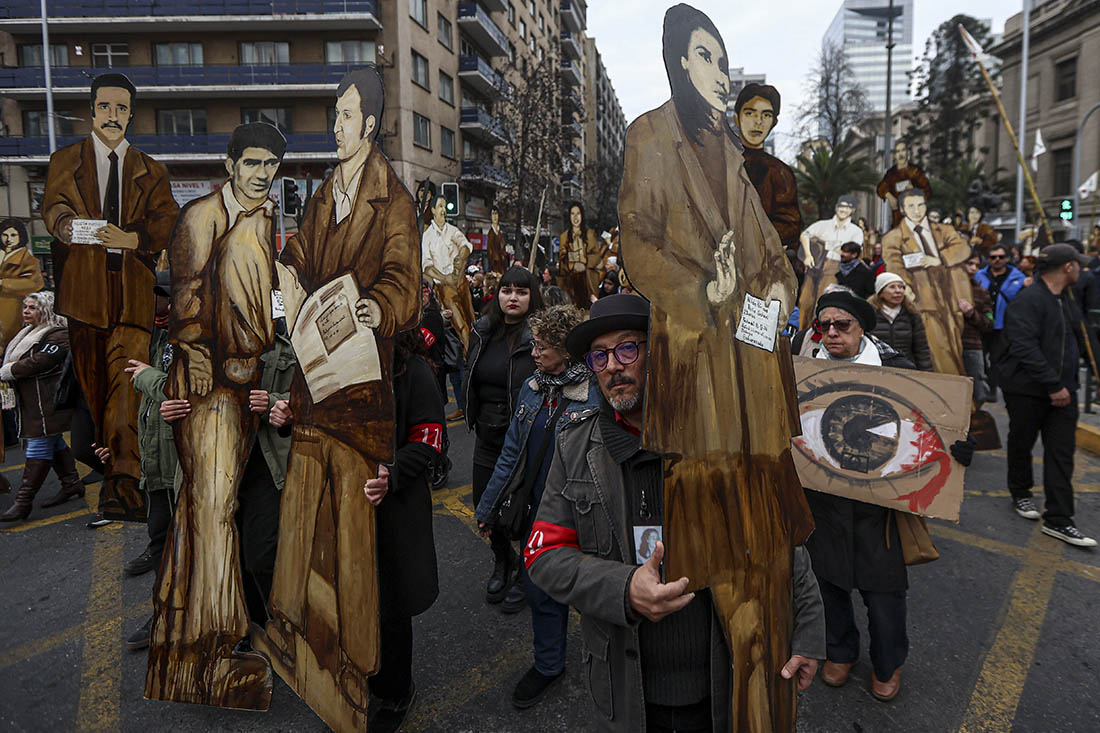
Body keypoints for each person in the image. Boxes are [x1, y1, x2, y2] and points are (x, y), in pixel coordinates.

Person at [617, 8, 818, 727]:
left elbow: (773, 258)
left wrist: (771, 293)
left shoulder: (734, 150)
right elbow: (638, 244)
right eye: (707, 56)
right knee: (724, 589)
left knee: (767, 597)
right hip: (697, 397)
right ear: (679, 62)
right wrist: (705, 289)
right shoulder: (650, 134)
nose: (721, 70)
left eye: (724, 57)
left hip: (756, 394)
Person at [526, 293, 825, 731]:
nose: (613, 366)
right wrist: (623, 587)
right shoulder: (576, 446)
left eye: (628, 348)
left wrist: (808, 632)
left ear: (660, 353)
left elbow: (782, 539)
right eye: (599, 356)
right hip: (629, 692)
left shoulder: (721, 440)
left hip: (725, 679)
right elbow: (543, 556)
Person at [264, 67, 421, 726]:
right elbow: (300, 255)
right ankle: (293, 629)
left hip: (360, 385)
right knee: (301, 507)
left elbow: (406, 289)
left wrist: (372, 308)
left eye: (347, 114)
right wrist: (285, 272)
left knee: (356, 536)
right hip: (311, 379)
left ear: (372, 123)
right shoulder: (324, 193)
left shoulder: (396, 199)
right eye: (334, 114)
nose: (337, 126)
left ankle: (361, 660)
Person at [145, 122, 287, 708]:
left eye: (270, 165)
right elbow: (186, 294)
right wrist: (198, 355)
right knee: (211, 510)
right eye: (251, 162)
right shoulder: (202, 215)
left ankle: (195, 642)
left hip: (246, 380)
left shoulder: (265, 217)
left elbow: (261, 294)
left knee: (213, 511)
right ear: (230, 163)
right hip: (209, 386)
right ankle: (214, 645)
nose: (261, 173)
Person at [793, 290, 973, 701]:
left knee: (884, 594)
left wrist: (960, 446)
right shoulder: (803, 366)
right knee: (829, 583)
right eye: (824, 325)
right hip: (823, 499)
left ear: (862, 328)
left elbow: (938, 421)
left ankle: (888, 663)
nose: (832, 333)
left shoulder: (896, 367)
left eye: (843, 325)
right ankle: (840, 652)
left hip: (881, 507)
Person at [42, 72, 180, 521]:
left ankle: (127, 489)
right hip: (83, 299)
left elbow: (167, 223)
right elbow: (54, 207)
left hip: (132, 300)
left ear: (131, 115)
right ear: (92, 110)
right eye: (106, 107)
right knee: (98, 393)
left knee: (126, 389)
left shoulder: (151, 170)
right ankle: (119, 470)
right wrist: (66, 225)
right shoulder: (65, 160)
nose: (113, 116)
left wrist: (132, 237)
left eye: (122, 109)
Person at [474, 305, 597, 709]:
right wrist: (488, 506)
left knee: (597, 595)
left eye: (543, 346)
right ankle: (549, 665)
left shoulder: (596, 394)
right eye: (535, 343)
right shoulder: (532, 387)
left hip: (585, 516)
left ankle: (611, 670)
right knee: (540, 590)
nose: (535, 351)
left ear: (567, 350)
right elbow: (510, 452)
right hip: (538, 513)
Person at [360, 330, 443, 732]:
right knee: (351, 595)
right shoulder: (342, 365)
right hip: (344, 504)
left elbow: (430, 438)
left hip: (394, 506)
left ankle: (395, 690)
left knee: (390, 601)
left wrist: (390, 474)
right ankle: (358, 678)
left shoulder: (413, 372)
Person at [996, 244, 1098, 547]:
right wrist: (1053, 385)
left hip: (1065, 392)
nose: (1082, 269)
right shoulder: (1028, 300)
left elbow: (1085, 341)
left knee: (1061, 454)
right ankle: (1021, 492)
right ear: (1068, 268)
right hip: (1028, 391)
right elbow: (1023, 346)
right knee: (1022, 442)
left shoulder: (1067, 300)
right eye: (1078, 264)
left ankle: (1058, 519)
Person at [462, 266, 542, 605]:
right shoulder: (483, 331)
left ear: (531, 297)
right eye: (507, 290)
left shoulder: (538, 334)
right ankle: (503, 561)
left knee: (525, 511)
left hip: (524, 437)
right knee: (485, 506)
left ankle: (526, 573)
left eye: (521, 292)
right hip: (488, 435)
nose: (513, 297)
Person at [0, 292, 82, 523]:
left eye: (33, 307)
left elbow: (42, 361)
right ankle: (71, 483)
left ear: (47, 310)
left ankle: (23, 503)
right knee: (53, 441)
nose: (26, 311)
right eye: (25, 307)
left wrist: (8, 371)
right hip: (32, 401)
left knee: (37, 444)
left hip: (47, 400)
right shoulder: (27, 332)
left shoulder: (58, 333)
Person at [122, 270, 177, 580]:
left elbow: (185, 388)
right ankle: (162, 612)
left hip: (175, 461)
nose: (155, 301)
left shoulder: (186, 336)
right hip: (154, 457)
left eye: (162, 294)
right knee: (159, 536)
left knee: (173, 539)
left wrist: (145, 376)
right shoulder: (154, 334)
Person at [881, 188, 971, 376]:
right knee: (938, 354)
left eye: (920, 205)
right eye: (911, 206)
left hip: (951, 301)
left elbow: (962, 248)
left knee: (954, 350)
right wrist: (905, 287)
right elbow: (894, 265)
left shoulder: (944, 230)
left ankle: (961, 401)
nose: (917, 210)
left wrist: (940, 258)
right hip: (923, 302)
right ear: (903, 209)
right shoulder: (893, 237)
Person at [732, 83, 802, 249]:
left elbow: (790, 225)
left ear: (774, 122)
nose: (758, 122)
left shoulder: (781, 172)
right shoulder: (719, 161)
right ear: (737, 117)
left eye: (766, 115)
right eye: (750, 113)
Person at [798, 196, 864, 328]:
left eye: (848, 207)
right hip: (815, 266)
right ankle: (801, 334)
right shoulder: (823, 225)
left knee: (822, 301)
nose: (843, 209)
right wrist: (808, 255)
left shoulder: (855, 231)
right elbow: (804, 235)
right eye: (841, 206)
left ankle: (817, 335)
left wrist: (826, 244)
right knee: (805, 302)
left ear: (852, 210)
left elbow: (851, 251)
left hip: (835, 268)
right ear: (836, 207)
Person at [423, 195, 476, 349]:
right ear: (433, 210)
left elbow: (465, 244)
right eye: (440, 206)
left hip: (461, 283)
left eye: (445, 206)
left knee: (472, 319)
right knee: (460, 325)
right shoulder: (427, 237)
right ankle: (469, 356)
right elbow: (426, 265)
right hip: (445, 288)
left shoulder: (453, 230)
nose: (443, 210)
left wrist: (461, 255)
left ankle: (478, 353)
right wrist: (444, 278)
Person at [974, 244, 1027, 395]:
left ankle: (992, 388)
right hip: (982, 324)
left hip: (1004, 325)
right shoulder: (979, 276)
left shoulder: (1019, 278)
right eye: (993, 257)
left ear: (1007, 259)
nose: (997, 260)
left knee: (998, 359)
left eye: (1001, 257)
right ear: (988, 259)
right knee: (979, 358)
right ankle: (982, 387)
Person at [867, 272, 932, 370]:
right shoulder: (870, 314)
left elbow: (921, 349)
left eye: (901, 287)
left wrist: (926, 372)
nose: (898, 291)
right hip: (878, 368)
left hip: (906, 368)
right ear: (880, 293)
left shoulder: (912, 314)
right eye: (892, 287)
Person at [0, 219, 46, 350]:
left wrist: (4, 283)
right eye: (5, 235)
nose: (9, 239)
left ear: (21, 236)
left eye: (13, 235)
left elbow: (34, 283)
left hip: (12, 305)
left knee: (7, 341)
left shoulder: (27, 259)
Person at [961, 251, 995, 404]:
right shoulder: (943, 290)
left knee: (978, 389)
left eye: (976, 265)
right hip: (945, 346)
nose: (973, 268)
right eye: (969, 264)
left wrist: (971, 313)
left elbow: (989, 323)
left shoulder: (981, 292)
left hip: (971, 345)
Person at [876, 140, 931, 229]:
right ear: (894, 156)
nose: (901, 154)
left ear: (907, 152)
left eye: (903, 150)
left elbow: (927, 191)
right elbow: (880, 188)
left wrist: (914, 191)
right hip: (897, 220)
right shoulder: (891, 174)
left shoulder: (915, 171)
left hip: (915, 219)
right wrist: (888, 195)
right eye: (897, 151)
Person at [558, 203, 602, 308]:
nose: (575, 217)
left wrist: (585, 260)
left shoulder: (590, 234)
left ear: (582, 215)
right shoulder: (564, 236)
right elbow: (561, 262)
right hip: (571, 282)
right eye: (572, 214)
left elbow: (596, 256)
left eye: (578, 213)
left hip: (587, 280)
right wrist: (570, 264)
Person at [485, 207, 509, 275]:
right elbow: (489, 248)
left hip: (502, 261)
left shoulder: (502, 231)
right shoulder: (490, 233)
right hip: (495, 262)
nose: (495, 216)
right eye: (493, 214)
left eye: (496, 214)